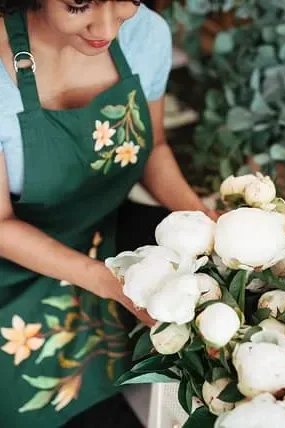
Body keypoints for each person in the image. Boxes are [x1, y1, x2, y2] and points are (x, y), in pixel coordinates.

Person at [0, 1, 219, 426]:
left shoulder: (146, 35)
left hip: (106, 239)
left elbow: (154, 148)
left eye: (125, 4)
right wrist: (114, 284)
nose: (107, 30)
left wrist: (205, 220)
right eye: (80, 6)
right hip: (14, 271)